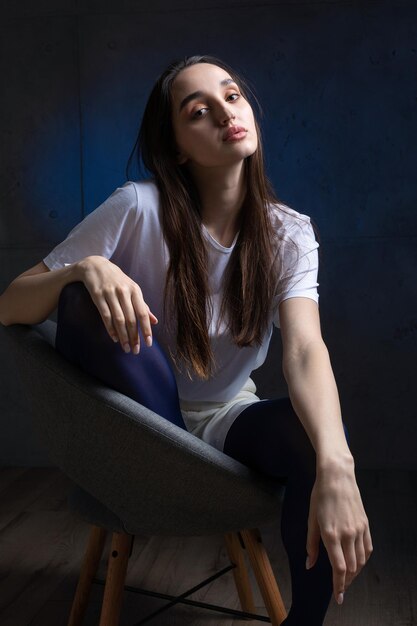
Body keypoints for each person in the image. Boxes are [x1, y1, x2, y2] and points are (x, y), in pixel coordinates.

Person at [0, 55, 373, 625]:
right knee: (79, 299)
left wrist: (337, 465)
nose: (226, 112)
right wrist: (84, 269)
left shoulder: (289, 233)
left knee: (320, 439)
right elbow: (10, 304)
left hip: (225, 421)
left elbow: (304, 350)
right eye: (200, 111)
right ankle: (172, 450)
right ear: (176, 148)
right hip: (135, 420)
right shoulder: (136, 207)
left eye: (232, 96)